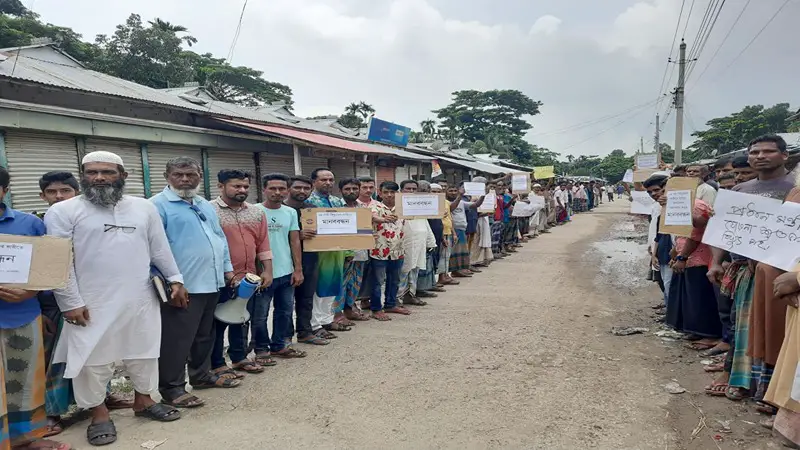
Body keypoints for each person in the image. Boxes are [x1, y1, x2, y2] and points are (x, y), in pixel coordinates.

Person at [45, 151, 188, 446]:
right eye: (91, 172)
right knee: (92, 359)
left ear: (123, 175)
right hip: (90, 301)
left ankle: (144, 401)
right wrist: (69, 302)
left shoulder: (143, 207)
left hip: (140, 296)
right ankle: (98, 413)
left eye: (107, 172)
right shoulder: (63, 211)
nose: (98, 178)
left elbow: (159, 248)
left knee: (144, 351)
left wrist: (176, 279)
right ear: (82, 175)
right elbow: (58, 262)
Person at [709, 134, 795, 416]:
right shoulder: (741, 190)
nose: (760, 156)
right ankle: (745, 381)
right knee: (746, 328)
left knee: (779, 331)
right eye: (755, 152)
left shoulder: (794, 187)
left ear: (784, 156)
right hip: (747, 271)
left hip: (785, 274)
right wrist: (716, 262)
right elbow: (724, 230)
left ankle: (776, 393)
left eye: (768, 151)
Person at [150, 157, 238, 408]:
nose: (185, 179)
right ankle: (172, 388)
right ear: (167, 176)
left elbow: (218, 238)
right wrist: (171, 281)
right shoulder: (157, 206)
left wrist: (227, 270)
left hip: (211, 281)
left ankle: (201, 376)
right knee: (177, 339)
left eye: (190, 174)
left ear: (200, 175)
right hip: (182, 285)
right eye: (179, 174)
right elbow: (154, 248)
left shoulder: (204, 204)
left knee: (204, 335)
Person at [0, 166, 71, 450]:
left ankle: (25, 439)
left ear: (4, 190)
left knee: (24, 382)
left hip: (23, 315)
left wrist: (31, 292)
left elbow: (48, 269)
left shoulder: (30, 224)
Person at [210, 169, 273, 376]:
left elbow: (263, 243)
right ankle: (217, 363)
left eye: (245, 186)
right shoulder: (209, 211)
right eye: (236, 186)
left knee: (241, 317)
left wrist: (268, 271)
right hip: (220, 278)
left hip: (249, 277)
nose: (242, 190)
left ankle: (239, 357)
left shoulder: (256, 212)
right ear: (221, 186)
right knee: (217, 323)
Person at [254, 173, 307, 358]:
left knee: (284, 312)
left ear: (287, 190)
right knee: (259, 315)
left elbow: (294, 242)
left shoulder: (290, 212)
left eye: (282, 188)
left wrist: (298, 269)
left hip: (286, 271)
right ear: (264, 189)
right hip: (263, 274)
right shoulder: (254, 211)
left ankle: (279, 346)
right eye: (273, 188)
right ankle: (261, 350)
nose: (278, 192)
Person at [283, 176, 327, 346]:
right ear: (289, 188)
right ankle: (285, 337)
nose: (302, 191)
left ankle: (305, 332)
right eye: (298, 187)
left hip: (310, 259)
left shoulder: (312, 209)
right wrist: (296, 235)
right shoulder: (281, 209)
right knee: (285, 302)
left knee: (306, 298)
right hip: (286, 261)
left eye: (306, 188)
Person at [306, 169, 349, 336]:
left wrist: (348, 251)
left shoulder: (338, 202)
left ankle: (327, 320)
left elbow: (348, 227)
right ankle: (315, 324)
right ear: (314, 182)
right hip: (318, 252)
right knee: (318, 288)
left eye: (331, 180)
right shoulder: (309, 202)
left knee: (333, 286)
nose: (328, 183)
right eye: (323, 179)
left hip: (337, 251)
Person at [367, 181, 409, 321]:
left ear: (398, 193)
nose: (389, 195)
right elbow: (372, 217)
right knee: (378, 281)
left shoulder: (403, 207)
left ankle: (391, 304)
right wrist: (383, 219)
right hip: (379, 250)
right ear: (380, 193)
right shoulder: (374, 205)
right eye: (386, 192)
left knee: (394, 280)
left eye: (393, 192)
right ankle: (376, 309)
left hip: (398, 249)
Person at [332, 178, 370, 323]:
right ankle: (337, 313)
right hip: (342, 251)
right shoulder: (336, 206)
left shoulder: (362, 207)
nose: (351, 192)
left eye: (354, 189)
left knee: (355, 282)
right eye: (347, 189)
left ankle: (350, 309)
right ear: (341, 191)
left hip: (360, 250)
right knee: (341, 282)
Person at [397, 180, 437, 306]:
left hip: (419, 244)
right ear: (401, 191)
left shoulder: (419, 207)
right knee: (403, 271)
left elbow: (425, 224)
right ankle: (398, 298)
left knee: (415, 270)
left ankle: (411, 295)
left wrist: (431, 242)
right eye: (407, 189)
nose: (411, 192)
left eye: (414, 189)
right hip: (404, 244)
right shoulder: (397, 206)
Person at [416, 181, 446, 296]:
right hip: (422, 237)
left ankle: (431, 284)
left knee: (433, 262)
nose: (425, 193)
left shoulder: (433, 202)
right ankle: (421, 289)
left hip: (434, 237)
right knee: (423, 263)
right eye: (422, 190)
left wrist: (442, 237)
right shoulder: (414, 204)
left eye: (426, 190)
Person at [448, 184, 484, 276]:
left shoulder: (462, 202)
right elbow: (452, 207)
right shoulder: (445, 202)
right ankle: (456, 270)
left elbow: (476, 204)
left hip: (462, 228)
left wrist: (483, 195)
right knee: (455, 251)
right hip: (453, 230)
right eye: (450, 191)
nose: (453, 193)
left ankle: (461, 268)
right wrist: (459, 196)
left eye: (455, 191)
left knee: (462, 250)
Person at [433, 182, 457, 286]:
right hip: (439, 233)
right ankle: (440, 277)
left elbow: (450, 218)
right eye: (434, 191)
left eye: (439, 192)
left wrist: (454, 233)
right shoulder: (428, 203)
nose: (437, 193)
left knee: (446, 256)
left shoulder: (446, 202)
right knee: (440, 256)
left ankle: (445, 275)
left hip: (448, 231)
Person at [468, 177, 493, 266]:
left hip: (484, 219)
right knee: (475, 241)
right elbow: (471, 210)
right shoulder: (472, 196)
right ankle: (473, 261)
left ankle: (481, 260)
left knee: (482, 239)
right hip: (476, 221)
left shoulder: (488, 195)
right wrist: (482, 214)